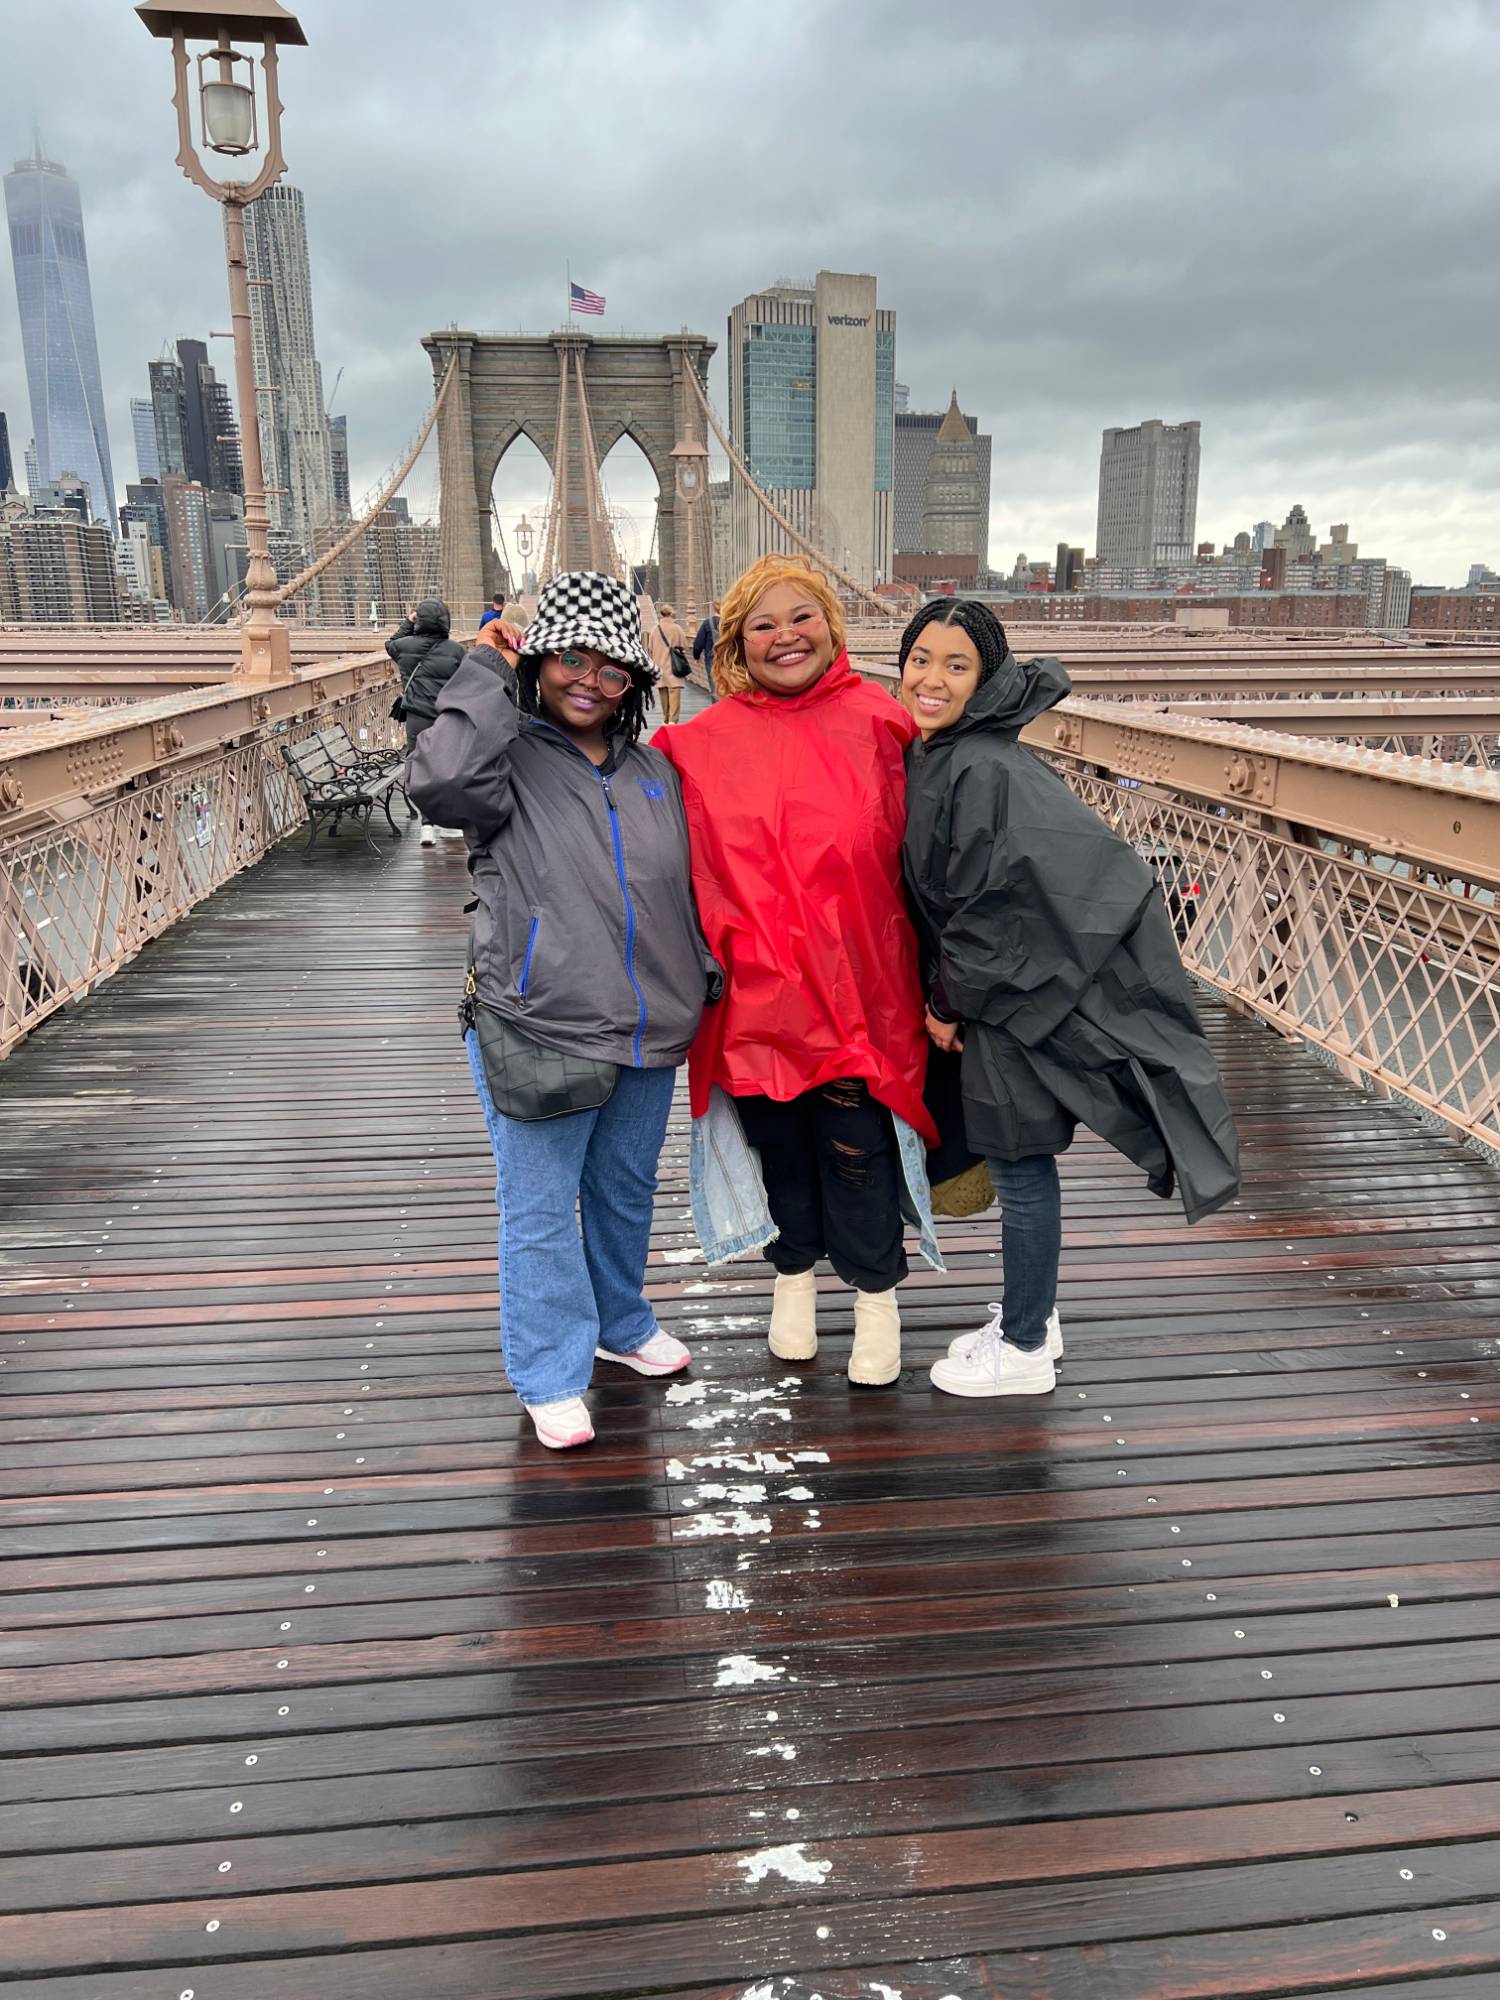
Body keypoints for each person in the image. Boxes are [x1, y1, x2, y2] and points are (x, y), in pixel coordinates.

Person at [406, 571, 723, 1450]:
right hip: (538, 1017)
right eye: (570, 658)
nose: (589, 680)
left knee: (623, 1189)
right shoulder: (503, 758)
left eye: (613, 668)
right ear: (541, 659)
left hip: (649, 1022)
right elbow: (435, 783)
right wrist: (484, 663)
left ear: (634, 685)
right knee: (540, 1205)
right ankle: (548, 1369)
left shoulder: (655, 767)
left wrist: (699, 974)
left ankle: (620, 1326)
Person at [899, 598, 1241, 1399]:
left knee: (1020, 1167)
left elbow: (991, 903)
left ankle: (1022, 1348)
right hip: (1019, 995)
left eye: (957, 665)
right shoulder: (961, 754)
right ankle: (1035, 1314)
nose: (931, 678)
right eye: (921, 658)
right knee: (1024, 1159)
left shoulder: (977, 766)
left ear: (987, 680)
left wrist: (949, 1001)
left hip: (1010, 1004)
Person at [656, 556, 940, 1389]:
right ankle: (792, 1276)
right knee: (777, 1147)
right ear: (739, 642)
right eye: (763, 623)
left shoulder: (887, 723)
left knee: (858, 1151)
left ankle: (877, 1295)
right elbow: (585, 766)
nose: (786, 637)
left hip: (860, 993)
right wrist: (500, 670)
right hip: (751, 999)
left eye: (802, 616)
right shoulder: (696, 746)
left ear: (832, 626)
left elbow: (953, 838)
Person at [387, 599, 466, 845]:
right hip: (447, 718)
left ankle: (427, 826)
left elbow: (390, 643)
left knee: (422, 769)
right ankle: (451, 824)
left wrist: (409, 622)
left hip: (417, 719)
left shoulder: (404, 647)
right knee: (449, 770)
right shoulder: (456, 651)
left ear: (419, 620)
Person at [646, 601, 691, 725]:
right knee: (674, 692)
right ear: (671, 614)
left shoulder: (655, 629)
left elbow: (650, 648)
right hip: (674, 665)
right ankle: (672, 720)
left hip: (659, 666)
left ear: (661, 614)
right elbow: (685, 645)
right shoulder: (677, 628)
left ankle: (665, 718)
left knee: (663, 692)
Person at [691, 600, 721, 699]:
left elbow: (698, 643)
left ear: (713, 609)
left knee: (715, 689)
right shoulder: (729, 623)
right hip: (728, 660)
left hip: (711, 659)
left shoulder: (708, 623)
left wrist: (696, 656)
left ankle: (717, 712)